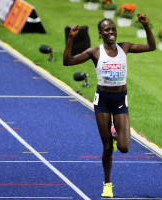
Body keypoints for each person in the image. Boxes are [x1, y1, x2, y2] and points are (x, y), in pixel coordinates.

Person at [63, 13, 156, 198]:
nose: (111, 32)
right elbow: (67, 62)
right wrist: (71, 38)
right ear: (101, 34)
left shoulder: (125, 47)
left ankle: (115, 132)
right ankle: (107, 183)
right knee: (107, 147)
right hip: (103, 101)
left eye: (113, 29)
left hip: (120, 100)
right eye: (107, 30)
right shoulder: (95, 52)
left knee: (124, 147)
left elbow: (151, 47)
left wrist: (146, 25)